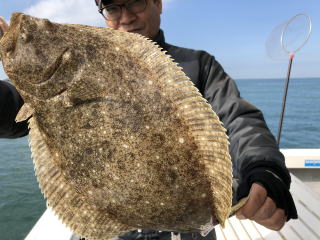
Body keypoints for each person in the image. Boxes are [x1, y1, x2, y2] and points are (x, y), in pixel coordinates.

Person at [0, 1, 297, 239]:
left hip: (187, 232)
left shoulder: (199, 65)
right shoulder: (78, 67)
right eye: (112, 8)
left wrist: (264, 170)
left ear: (158, 3)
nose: (125, 17)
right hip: (115, 229)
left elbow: (239, 118)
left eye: (135, 2)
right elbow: (15, 114)